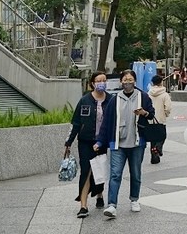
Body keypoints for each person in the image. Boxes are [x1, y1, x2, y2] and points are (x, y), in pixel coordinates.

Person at [95, 70, 155, 219]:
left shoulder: (143, 97)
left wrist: (144, 113)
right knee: (115, 175)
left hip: (137, 143)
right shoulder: (114, 100)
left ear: (135, 81)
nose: (128, 82)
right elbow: (106, 123)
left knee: (136, 173)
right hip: (118, 144)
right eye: (125, 79)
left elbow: (152, 114)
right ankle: (112, 205)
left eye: (130, 79)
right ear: (121, 82)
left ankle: (134, 199)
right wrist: (100, 141)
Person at [65, 71, 109, 217]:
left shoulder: (111, 100)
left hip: (102, 142)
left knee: (100, 171)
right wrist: (68, 142)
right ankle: (83, 206)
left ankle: (99, 194)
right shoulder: (84, 100)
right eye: (98, 80)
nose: (101, 83)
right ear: (92, 83)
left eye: (104, 80)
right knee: (86, 171)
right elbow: (76, 123)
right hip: (85, 142)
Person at [147, 74, 173, 164]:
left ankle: (154, 158)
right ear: (161, 82)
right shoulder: (165, 95)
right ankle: (158, 148)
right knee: (162, 136)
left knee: (152, 139)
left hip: (150, 119)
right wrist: (166, 114)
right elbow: (168, 107)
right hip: (160, 119)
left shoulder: (148, 94)